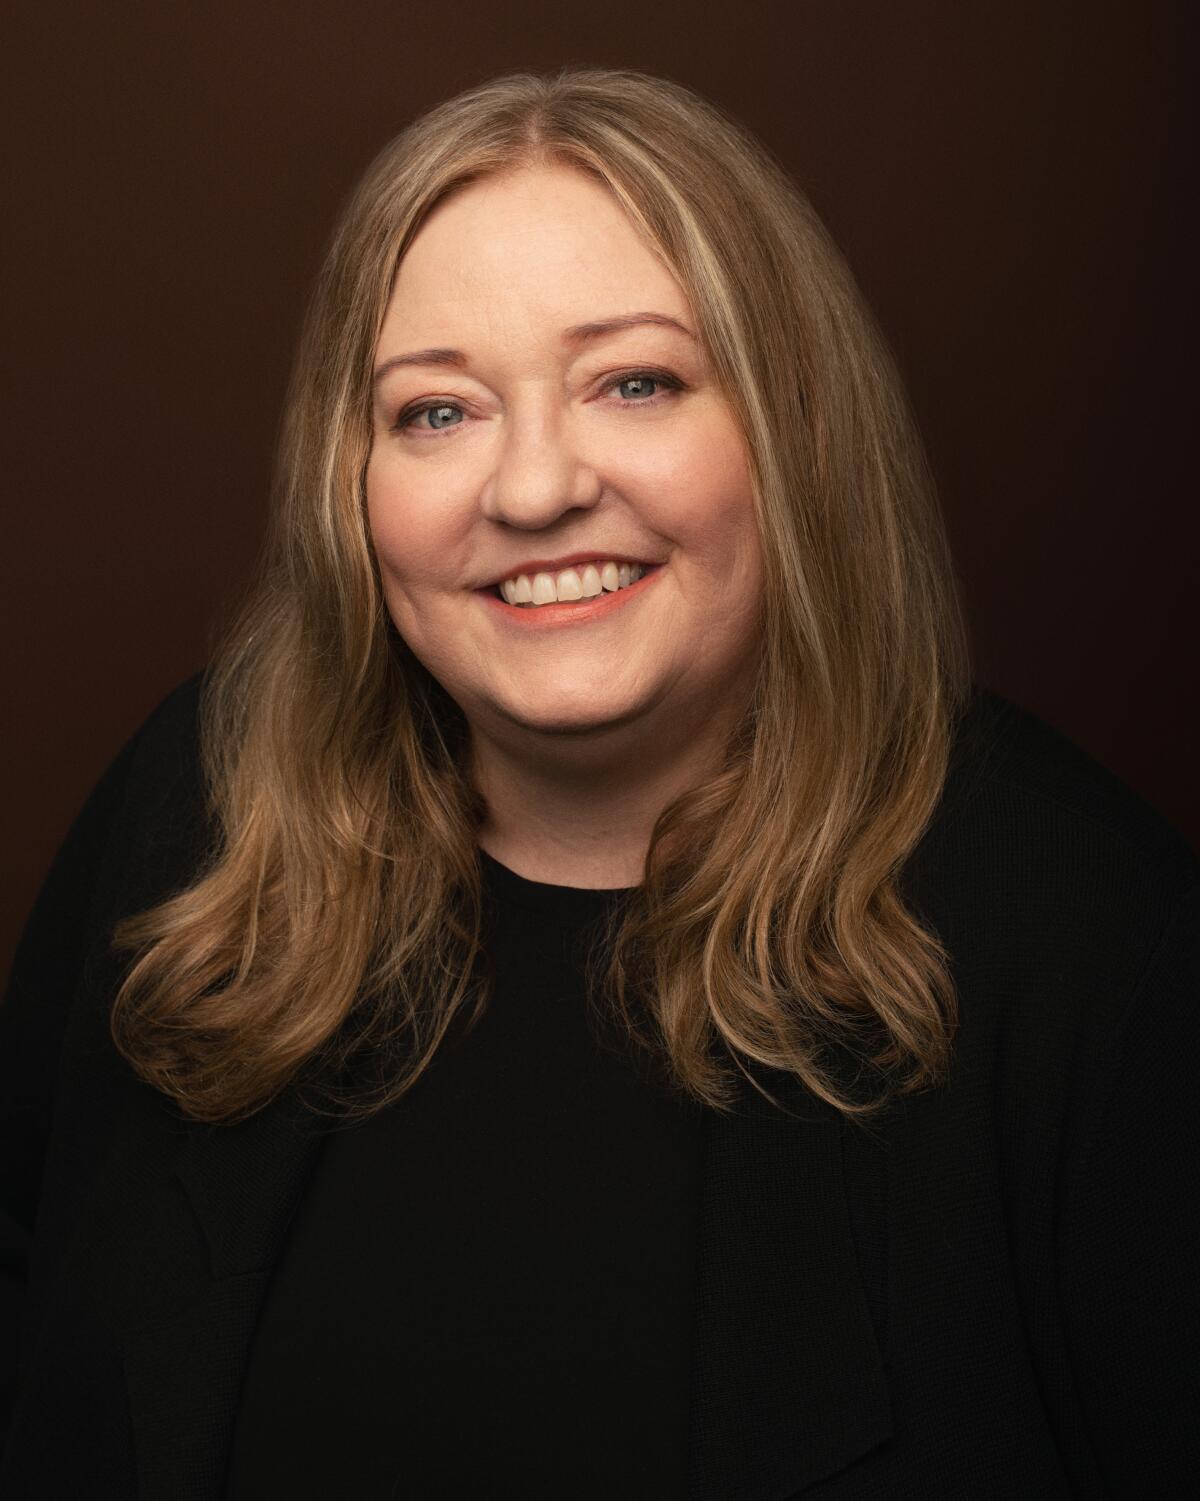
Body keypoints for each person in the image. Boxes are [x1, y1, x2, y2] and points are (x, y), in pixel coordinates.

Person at [1, 64, 1196, 1500]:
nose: (532, 488)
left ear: (795, 427)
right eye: (437, 411)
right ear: (350, 477)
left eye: (634, 382)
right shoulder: (193, 815)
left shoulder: (1101, 952)